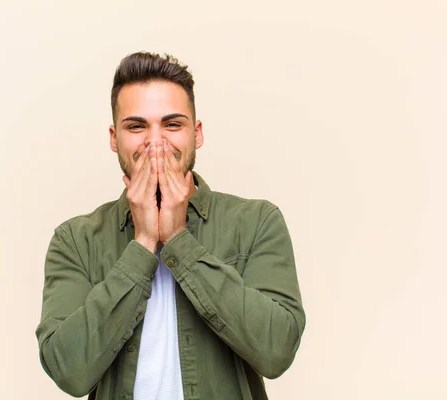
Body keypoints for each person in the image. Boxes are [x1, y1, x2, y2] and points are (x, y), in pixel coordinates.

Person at [35, 52, 306, 400]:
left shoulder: (257, 222)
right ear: (114, 138)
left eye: (172, 124)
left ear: (197, 133)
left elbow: (277, 351)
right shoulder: (75, 239)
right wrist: (144, 242)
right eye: (137, 126)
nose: (156, 143)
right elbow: (68, 371)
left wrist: (179, 240)